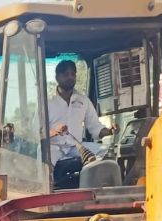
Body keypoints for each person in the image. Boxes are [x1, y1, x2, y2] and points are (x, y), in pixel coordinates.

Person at [47, 59, 115, 187]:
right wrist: (54, 131)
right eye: (66, 74)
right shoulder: (47, 101)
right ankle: (49, 192)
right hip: (53, 147)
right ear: (57, 77)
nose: (70, 77)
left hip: (75, 147)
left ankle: (99, 187)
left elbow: (95, 127)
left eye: (73, 74)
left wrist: (109, 131)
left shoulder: (83, 100)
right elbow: (36, 131)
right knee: (43, 164)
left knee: (105, 151)